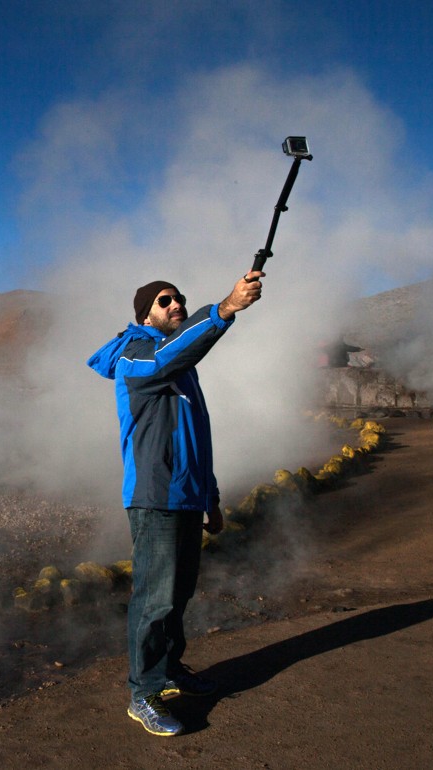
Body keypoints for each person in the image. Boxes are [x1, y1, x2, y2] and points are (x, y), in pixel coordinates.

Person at [86, 270, 265, 736]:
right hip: (154, 495)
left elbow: (195, 439)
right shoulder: (135, 355)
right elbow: (165, 357)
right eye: (165, 301)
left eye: (180, 299)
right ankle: (142, 693)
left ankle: (169, 671)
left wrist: (212, 498)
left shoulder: (182, 367)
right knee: (154, 598)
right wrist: (224, 309)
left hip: (186, 497)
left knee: (179, 592)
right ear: (145, 313)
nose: (176, 305)